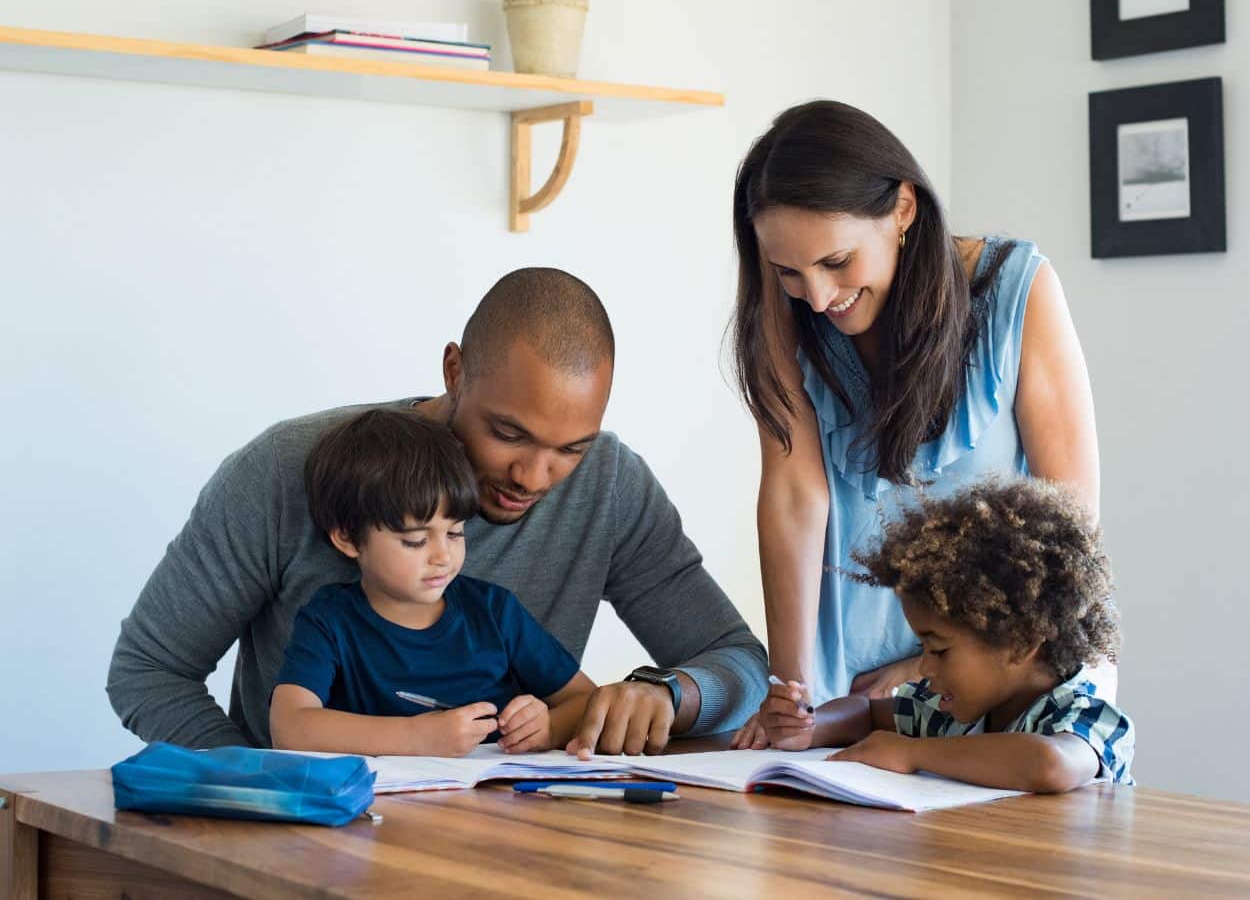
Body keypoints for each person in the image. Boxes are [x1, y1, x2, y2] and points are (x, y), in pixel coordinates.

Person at [108, 268, 766, 756]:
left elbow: (737, 661)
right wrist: (264, 789)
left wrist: (669, 695)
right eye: (508, 434)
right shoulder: (287, 471)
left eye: (571, 449)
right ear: (455, 369)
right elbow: (149, 672)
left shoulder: (610, 484)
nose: (534, 478)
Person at [727, 100, 1104, 747]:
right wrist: (790, 690)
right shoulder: (785, 320)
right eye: (790, 272)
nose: (817, 296)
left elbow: (1068, 525)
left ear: (903, 209)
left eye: (836, 262)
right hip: (842, 695)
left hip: (998, 685)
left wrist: (930, 665)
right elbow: (795, 498)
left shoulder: (1018, 291)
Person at [759, 477, 1134, 792]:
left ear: (1020, 643)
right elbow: (866, 714)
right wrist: (809, 727)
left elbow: (1049, 764)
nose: (923, 667)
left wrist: (910, 753)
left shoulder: (1084, 714)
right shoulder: (949, 710)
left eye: (938, 650)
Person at [270, 409, 596, 757]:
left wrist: (548, 727)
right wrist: (415, 737)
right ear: (348, 538)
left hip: (495, 803)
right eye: (415, 541)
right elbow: (290, 727)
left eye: (455, 532)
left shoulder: (493, 612)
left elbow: (586, 699)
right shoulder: (330, 620)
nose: (443, 556)